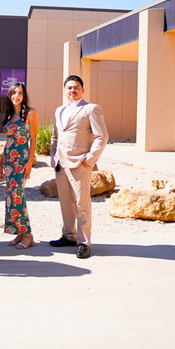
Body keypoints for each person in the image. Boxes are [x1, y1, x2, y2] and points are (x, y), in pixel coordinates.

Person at [49, 75, 108, 259]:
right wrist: (53, 157)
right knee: (65, 203)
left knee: (82, 204)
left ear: (82, 90)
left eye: (76, 87)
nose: (72, 91)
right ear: (65, 90)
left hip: (80, 164)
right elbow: (55, 137)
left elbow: (102, 137)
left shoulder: (91, 109)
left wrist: (88, 160)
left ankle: (84, 242)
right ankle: (68, 235)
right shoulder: (59, 110)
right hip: (61, 164)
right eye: (69, 88)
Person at [0, 83, 38, 250]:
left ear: (24, 95)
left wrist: (29, 162)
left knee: (18, 196)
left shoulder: (30, 113)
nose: (17, 96)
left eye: (20, 93)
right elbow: (8, 142)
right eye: (14, 93)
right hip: (8, 161)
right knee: (10, 196)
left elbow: (33, 139)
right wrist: (0, 162)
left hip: (21, 161)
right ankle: (19, 232)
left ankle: (28, 235)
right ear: (9, 96)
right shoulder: (9, 116)